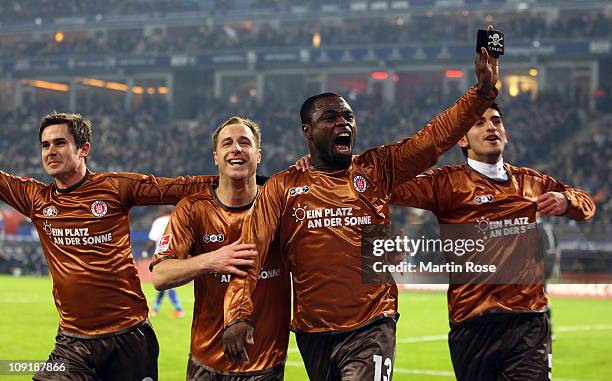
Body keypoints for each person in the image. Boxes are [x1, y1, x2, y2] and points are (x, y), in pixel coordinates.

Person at [222, 36, 500, 380]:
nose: (344, 123)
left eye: (348, 117)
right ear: (308, 131)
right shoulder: (282, 187)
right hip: (314, 331)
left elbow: (432, 140)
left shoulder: (376, 169)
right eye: (331, 118)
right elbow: (249, 252)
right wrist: (237, 313)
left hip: (372, 323)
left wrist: (482, 93)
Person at [0, 113, 214, 380]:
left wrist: (238, 180)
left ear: (84, 148)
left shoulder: (114, 187)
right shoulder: (36, 198)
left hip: (129, 339)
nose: (51, 151)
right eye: (45, 145)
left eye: (59, 143)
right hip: (72, 343)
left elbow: (178, 188)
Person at [390, 103, 596, 380]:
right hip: (472, 324)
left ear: (506, 133)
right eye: (479, 123)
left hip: (527, 322)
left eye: (496, 121)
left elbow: (586, 203)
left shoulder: (531, 183)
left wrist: (566, 200)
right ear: (461, 139)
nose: (491, 127)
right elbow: (386, 187)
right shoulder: (447, 184)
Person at [150, 117, 290, 380]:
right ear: (216, 157)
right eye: (227, 143)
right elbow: (160, 275)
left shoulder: (282, 207)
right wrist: (212, 259)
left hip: (264, 364)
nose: (236, 148)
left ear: (258, 155)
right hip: (206, 362)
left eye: (244, 142)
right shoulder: (193, 209)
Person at [145, 206, 184, 318]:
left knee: (167, 283)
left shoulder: (158, 221)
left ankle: (178, 309)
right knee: (163, 284)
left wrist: (145, 252)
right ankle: (155, 309)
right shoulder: (176, 219)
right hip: (176, 255)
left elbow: (152, 239)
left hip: (162, 256)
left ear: (162, 211)